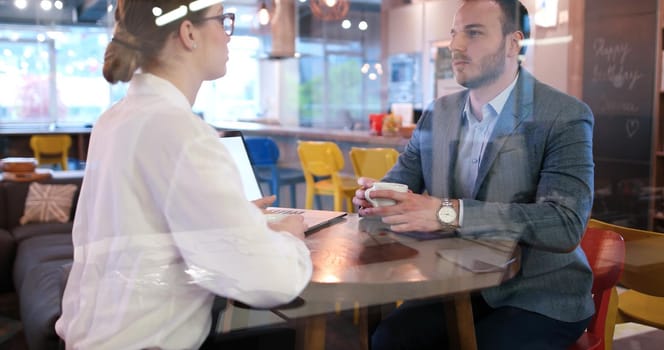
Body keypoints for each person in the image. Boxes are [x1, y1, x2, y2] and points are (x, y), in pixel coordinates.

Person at [55, 1, 312, 349]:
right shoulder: (182, 132)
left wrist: (241, 220)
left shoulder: (114, 119)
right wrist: (291, 238)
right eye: (222, 21)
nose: (227, 35)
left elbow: (147, 230)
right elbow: (271, 280)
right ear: (188, 33)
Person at [353, 0, 594, 349]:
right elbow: (401, 185)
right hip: (455, 283)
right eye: (454, 34)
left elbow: (564, 224)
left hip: (537, 294)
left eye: (474, 33)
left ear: (514, 44)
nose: (456, 46)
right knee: (389, 339)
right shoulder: (439, 113)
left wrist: (445, 212)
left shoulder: (564, 115)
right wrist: (375, 198)